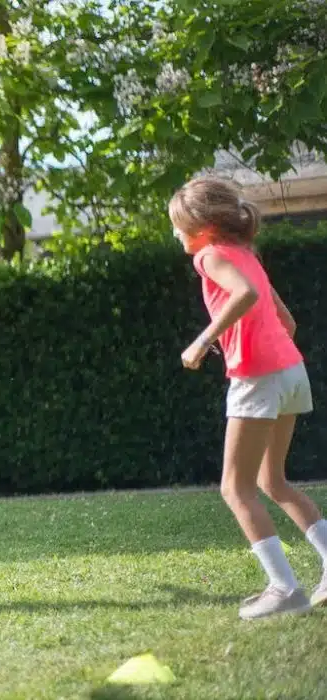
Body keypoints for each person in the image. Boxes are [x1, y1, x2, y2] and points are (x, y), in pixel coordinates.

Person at [171, 176, 327, 619]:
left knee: (235, 488)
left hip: (258, 377)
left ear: (202, 226)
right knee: (272, 482)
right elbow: (287, 322)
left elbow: (245, 296)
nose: (177, 234)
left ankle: (284, 589)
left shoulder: (210, 256)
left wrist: (203, 342)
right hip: (291, 370)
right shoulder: (247, 256)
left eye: (179, 225)